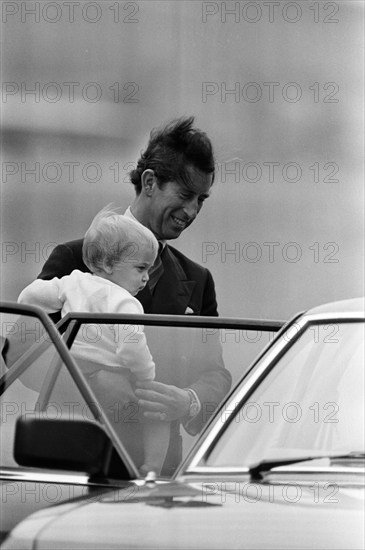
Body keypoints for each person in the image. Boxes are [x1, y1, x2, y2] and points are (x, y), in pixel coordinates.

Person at [9, 116, 232, 475]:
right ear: (149, 182)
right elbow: (19, 351)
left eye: (201, 200)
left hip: (157, 477)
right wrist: (94, 378)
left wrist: (186, 402)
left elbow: (215, 374)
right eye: (185, 195)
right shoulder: (73, 258)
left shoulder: (198, 280)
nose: (192, 212)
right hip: (73, 467)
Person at [17, 206, 170, 475]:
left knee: (66, 414)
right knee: (158, 413)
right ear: (109, 264)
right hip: (111, 371)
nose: (146, 277)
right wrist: (146, 375)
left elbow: (29, 297)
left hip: (70, 369)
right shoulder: (126, 302)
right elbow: (132, 346)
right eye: (141, 268)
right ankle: (152, 466)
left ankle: (61, 458)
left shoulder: (73, 282)